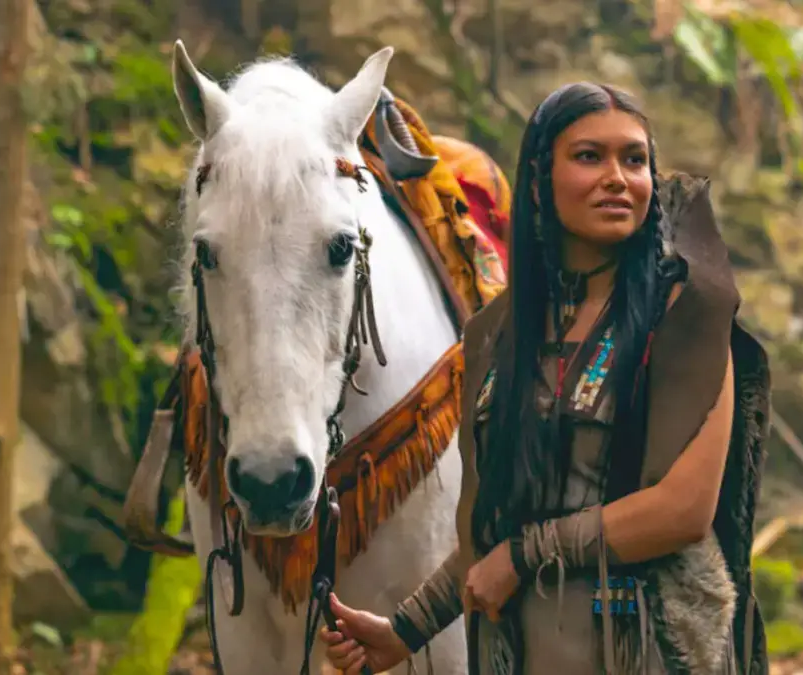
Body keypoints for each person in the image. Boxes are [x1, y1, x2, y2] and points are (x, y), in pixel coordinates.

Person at [320, 82, 772, 675]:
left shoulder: (686, 312)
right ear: (538, 180)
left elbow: (682, 510)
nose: (618, 177)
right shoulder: (496, 335)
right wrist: (405, 628)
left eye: (634, 159)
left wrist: (526, 555)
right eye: (590, 156)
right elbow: (492, 526)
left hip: (651, 654)